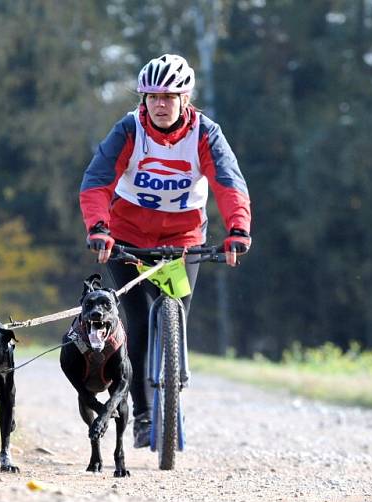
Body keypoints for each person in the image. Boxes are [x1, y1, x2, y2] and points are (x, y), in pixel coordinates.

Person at [79, 54, 252, 447]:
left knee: (176, 316)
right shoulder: (128, 130)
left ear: (184, 98)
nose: (160, 104)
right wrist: (99, 228)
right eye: (153, 96)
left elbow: (229, 184)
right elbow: (97, 182)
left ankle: (173, 390)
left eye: (169, 96)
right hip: (126, 237)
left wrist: (238, 229)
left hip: (183, 239)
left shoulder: (206, 134)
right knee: (137, 322)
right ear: (143, 99)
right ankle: (141, 414)